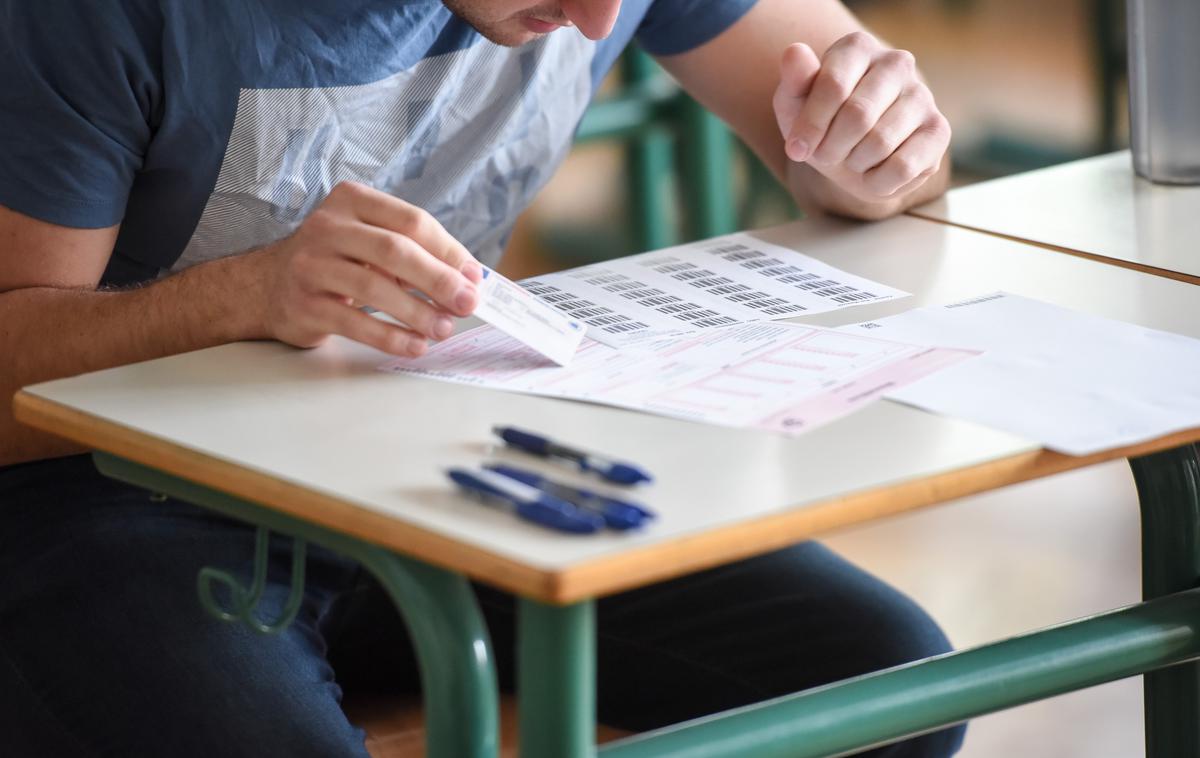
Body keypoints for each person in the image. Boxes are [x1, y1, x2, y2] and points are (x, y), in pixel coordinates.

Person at [0, 1, 962, 755]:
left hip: (436, 461)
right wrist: (239, 298)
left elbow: (878, 175)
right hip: (102, 500)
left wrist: (876, 156)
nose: (598, 19)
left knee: (894, 682)